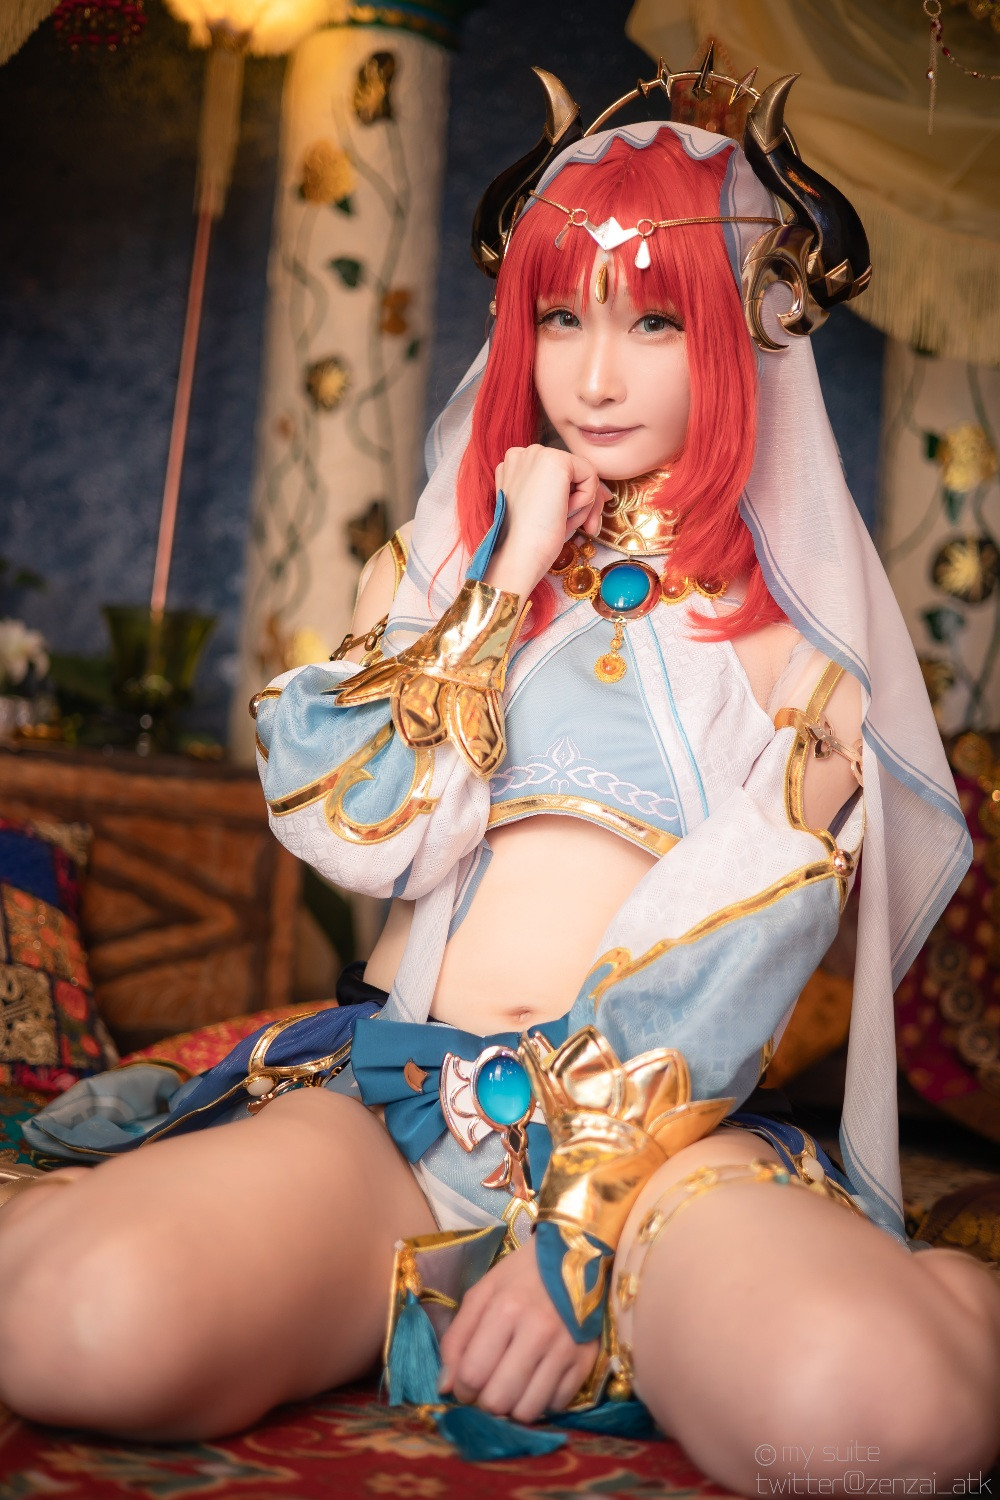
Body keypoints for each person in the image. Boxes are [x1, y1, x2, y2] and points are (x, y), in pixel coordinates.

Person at [1, 65, 998, 1495]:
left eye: (654, 321)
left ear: (737, 335)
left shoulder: (805, 656)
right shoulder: (433, 581)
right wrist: (505, 571)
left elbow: (738, 947)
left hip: (658, 1153)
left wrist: (579, 1229)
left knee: (881, 1427)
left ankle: (928, 1295)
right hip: (404, 1113)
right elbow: (361, 831)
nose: (594, 377)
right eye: (562, 317)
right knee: (79, 1330)